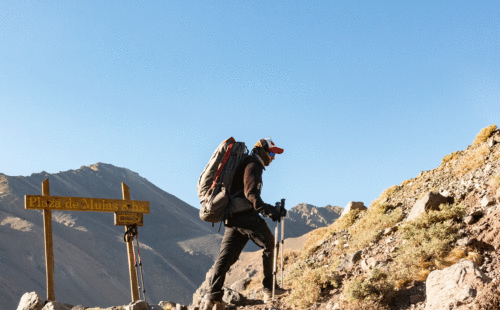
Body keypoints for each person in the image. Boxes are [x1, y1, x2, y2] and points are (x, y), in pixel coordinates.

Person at [201, 138, 286, 310]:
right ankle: (269, 289)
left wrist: (267, 208)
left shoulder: (247, 163)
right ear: (261, 150)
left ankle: (212, 297)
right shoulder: (253, 164)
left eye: (274, 154)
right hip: (246, 216)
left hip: (232, 217)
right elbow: (251, 193)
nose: (273, 157)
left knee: (226, 258)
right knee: (269, 244)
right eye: (271, 153)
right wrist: (269, 210)